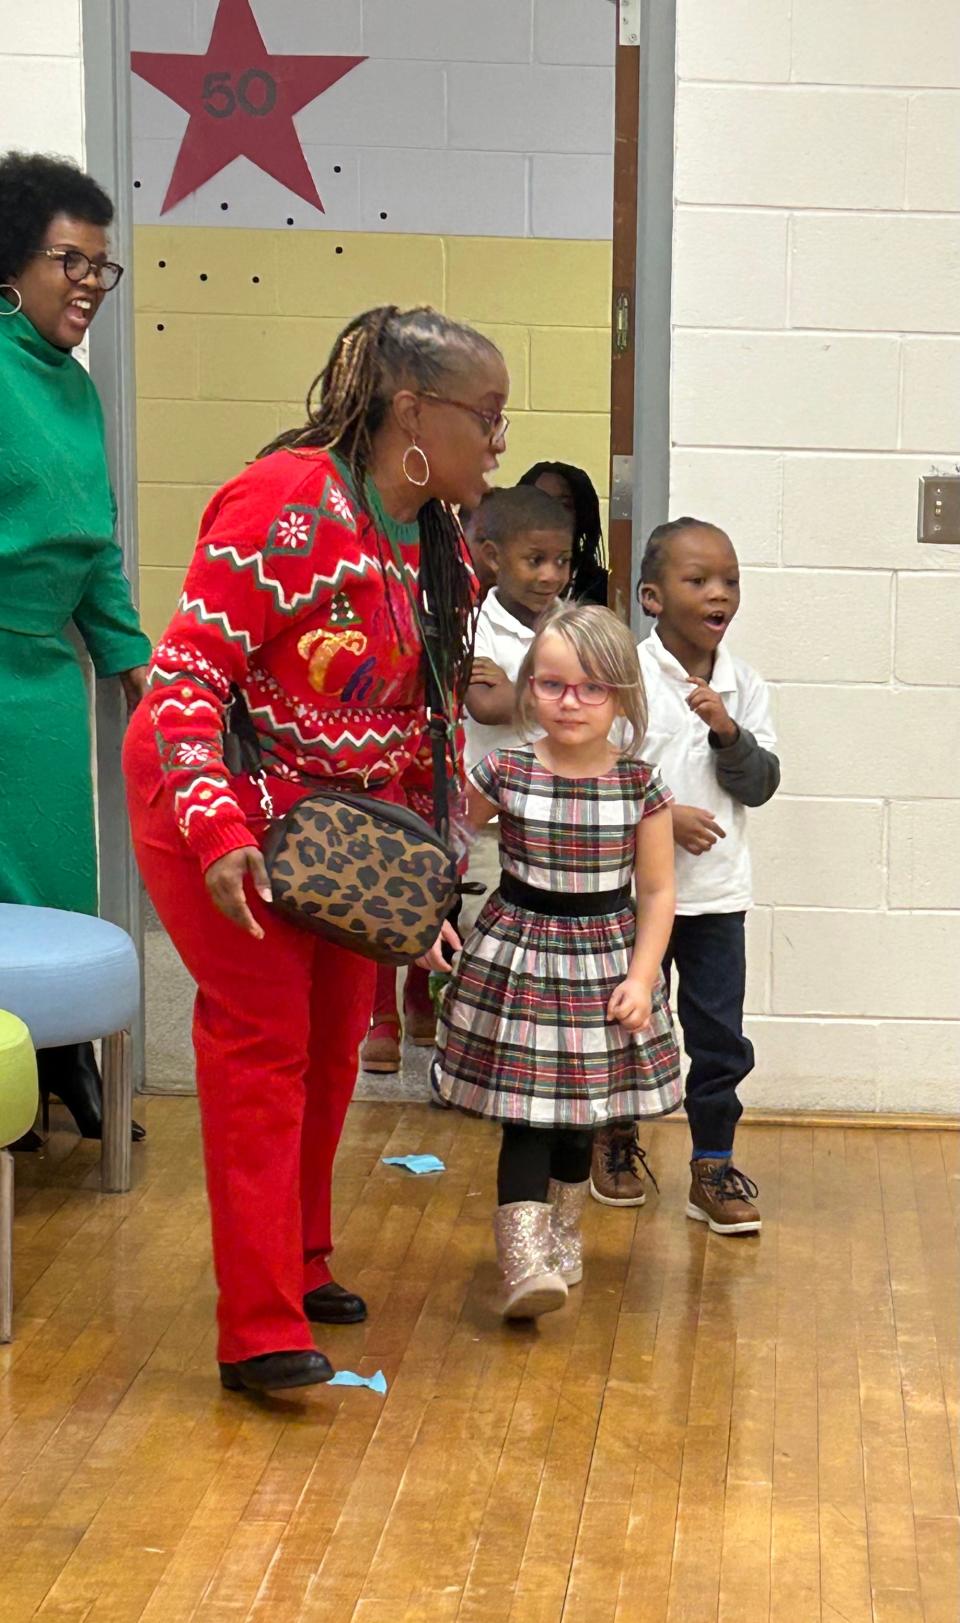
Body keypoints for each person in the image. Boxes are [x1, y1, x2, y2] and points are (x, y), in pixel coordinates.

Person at [123, 305, 509, 1394]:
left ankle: (300, 1262)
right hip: (222, 804)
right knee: (262, 1040)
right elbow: (188, 679)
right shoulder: (289, 503)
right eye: (486, 416)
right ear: (409, 412)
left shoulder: (437, 541)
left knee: (338, 1035)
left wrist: (433, 871)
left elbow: (430, 719)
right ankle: (256, 1329)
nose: (499, 441)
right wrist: (215, 834)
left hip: (344, 822)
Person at [433, 603, 680, 1319]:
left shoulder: (641, 785)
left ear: (623, 696)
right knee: (528, 1116)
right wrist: (425, 918)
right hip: (520, 961)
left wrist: (643, 975)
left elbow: (659, 891)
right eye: (551, 685)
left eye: (592, 688)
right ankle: (523, 1261)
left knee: (581, 1117)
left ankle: (564, 1233)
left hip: (604, 962)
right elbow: (447, 844)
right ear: (528, 689)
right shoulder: (505, 767)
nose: (570, 702)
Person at [0, 151, 151, 1143]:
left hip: (47, 676)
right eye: (71, 262)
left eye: (104, 267)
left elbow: (95, 550)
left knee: (54, 873)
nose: (90, 284)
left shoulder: (76, 393)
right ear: (11, 263)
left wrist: (139, 664)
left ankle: (65, 1061)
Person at [590, 519, 780, 1234]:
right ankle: (614, 1137)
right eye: (697, 580)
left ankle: (712, 1163)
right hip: (631, 899)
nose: (718, 592)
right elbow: (595, 776)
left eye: (729, 579)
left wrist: (729, 731)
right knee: (629, 1026)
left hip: (715, 899)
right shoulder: (624, 680)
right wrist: (662, 821)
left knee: (719, 1038)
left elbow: (760, 784)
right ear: (650, 596)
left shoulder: (745, 684)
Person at [458, 484, 574, 934]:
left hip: (560, 809)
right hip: (489, 817)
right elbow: (486, 705)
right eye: (535, 560)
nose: (550, 575)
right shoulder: (471, 626)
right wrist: (565, 689)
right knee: (483, 932)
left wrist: (520, 691)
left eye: (561, 561)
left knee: (552, 932)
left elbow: (604, 697)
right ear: (493, 558)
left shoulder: (572, 622)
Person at [518, 460, 607, 605]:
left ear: (581, 514)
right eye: (539, 502)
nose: (551, 511)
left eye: (563, 504)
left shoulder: (600, 588)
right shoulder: (505, 577)